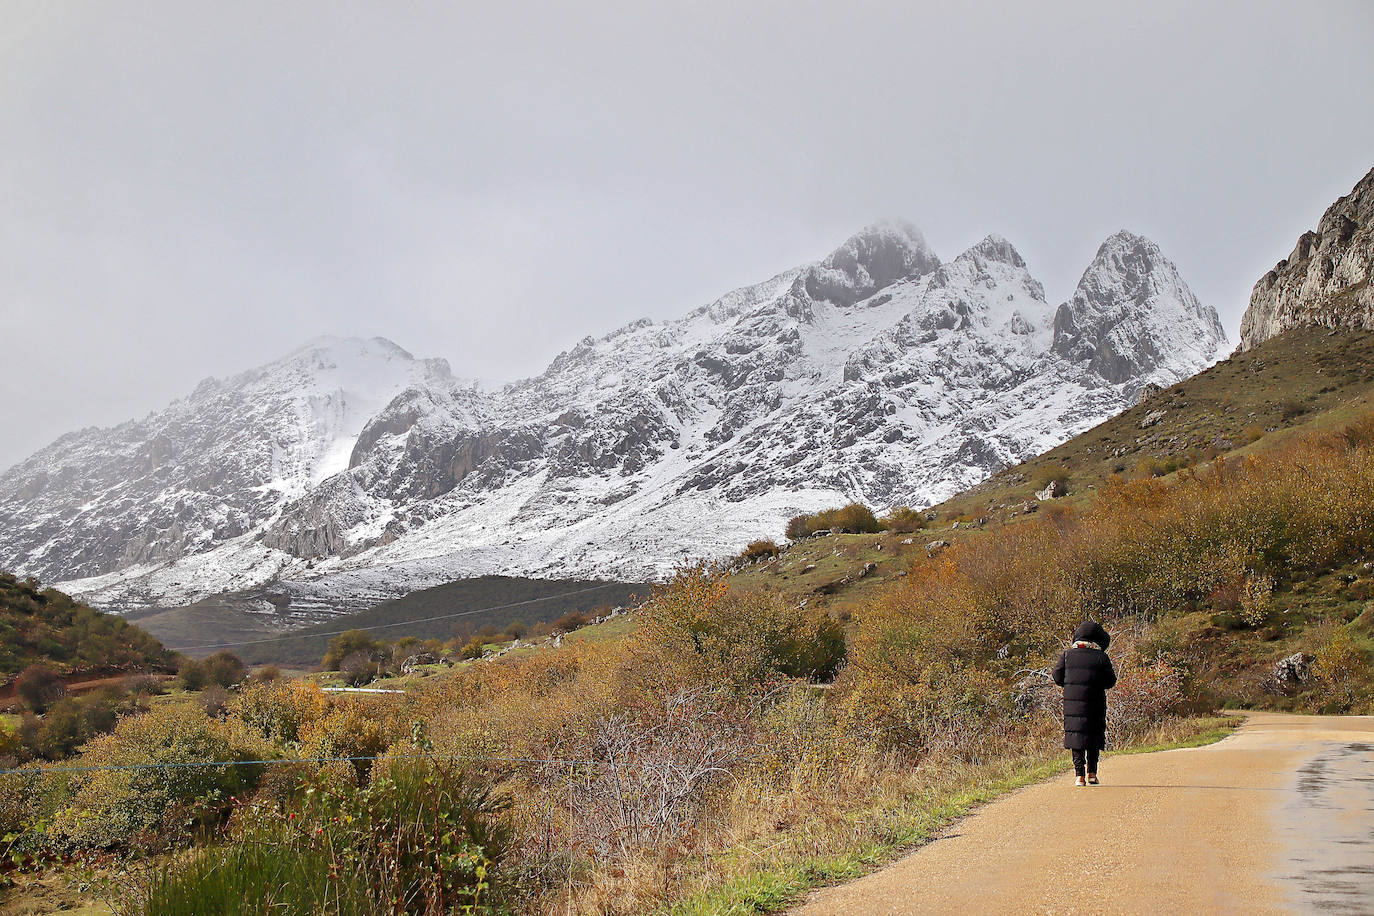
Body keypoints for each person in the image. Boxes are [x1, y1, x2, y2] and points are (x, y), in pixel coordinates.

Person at [1051, 621, 1117, 786]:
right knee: (1093, 736)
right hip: (1095, 703)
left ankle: (1079, 776)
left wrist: (1070, 684)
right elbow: (1110, 681)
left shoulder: (1067, 655)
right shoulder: (1101, 657)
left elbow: (1057, 676)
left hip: (1073, 704)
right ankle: (1092, 774)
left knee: (1076, 736)